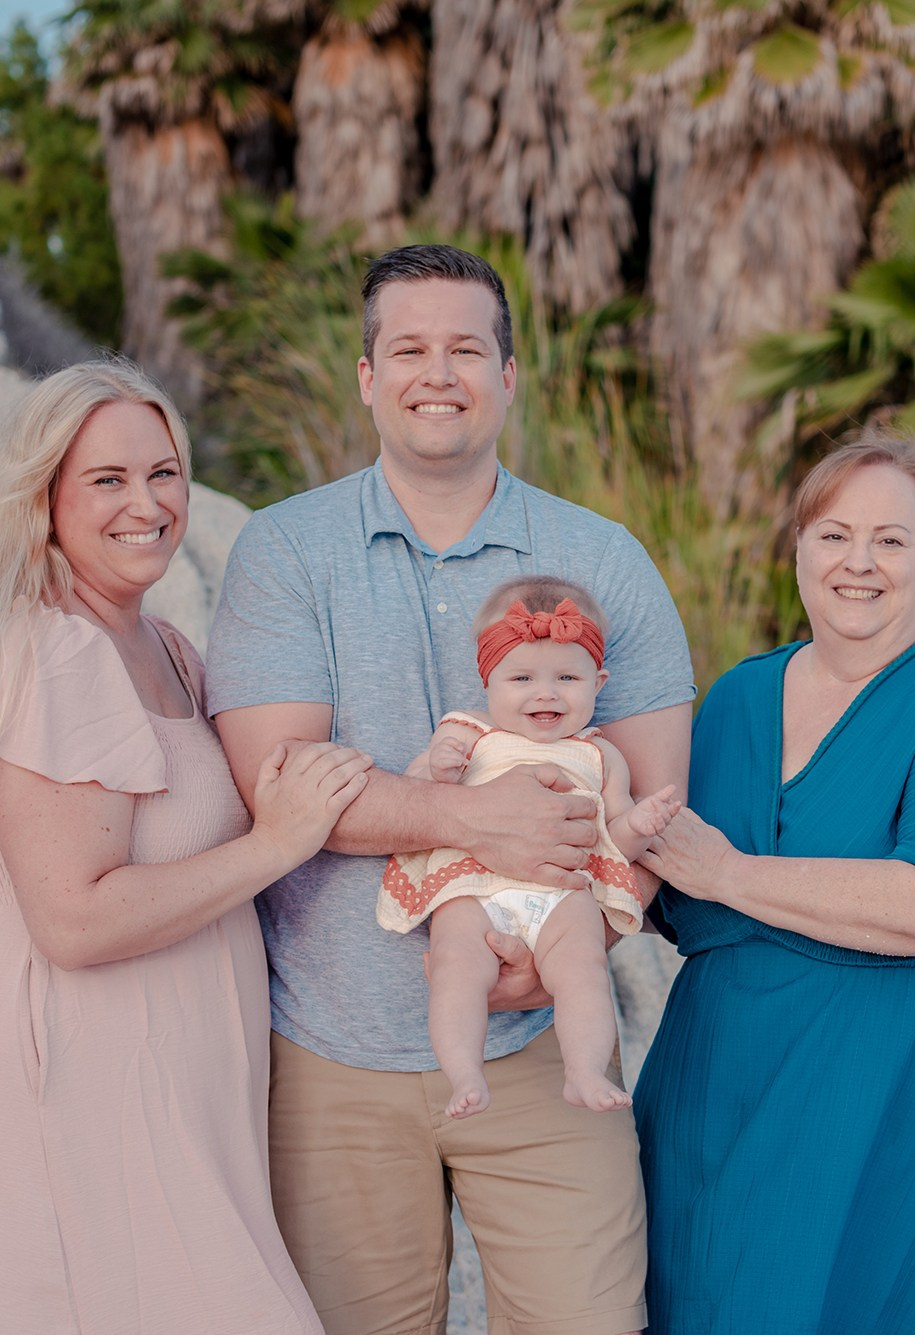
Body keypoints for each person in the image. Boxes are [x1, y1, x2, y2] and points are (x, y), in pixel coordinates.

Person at [207, 244, 694, 1335]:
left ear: (509, 376)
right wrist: (476, 820)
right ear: (368, 376)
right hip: (334, 1057)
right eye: (409, 348)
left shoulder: (603, 557)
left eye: (466, 348)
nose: (439, 372)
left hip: (545, 1055)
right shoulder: (284, 551)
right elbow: (280, 786)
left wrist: (558, 953)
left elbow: (648, 796)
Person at [0, 360, 371, 1334]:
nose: (146, 504)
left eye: (163, 473)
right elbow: (73, 918)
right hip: (72, 1067)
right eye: (107, 481)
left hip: (166, 1077)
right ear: (45, 500)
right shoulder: (51, 652)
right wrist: (275, 844)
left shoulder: (164, 648)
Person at [633, 435, 915, 1334]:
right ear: (797, 551)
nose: (859, 562)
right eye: (833, 535)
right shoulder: (736, 700)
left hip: (902, 1077)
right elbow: (664, 888)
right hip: (722, 1072)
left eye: (892, 541)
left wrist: (735, 874)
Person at [382, 577, 684, 1119]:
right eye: (521, 677)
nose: (545, 693)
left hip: (563, 894)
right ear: (488, 681)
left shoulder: (600, 756)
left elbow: (617, 841)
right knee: (455, 965)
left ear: (599, 681)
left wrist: (642, 821)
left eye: (567, 677)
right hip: (474, 887)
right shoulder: (467, 734)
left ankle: (584, 1071)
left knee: (583, 967)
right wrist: (440, 770)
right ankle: (464, 1071)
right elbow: (420, 800)